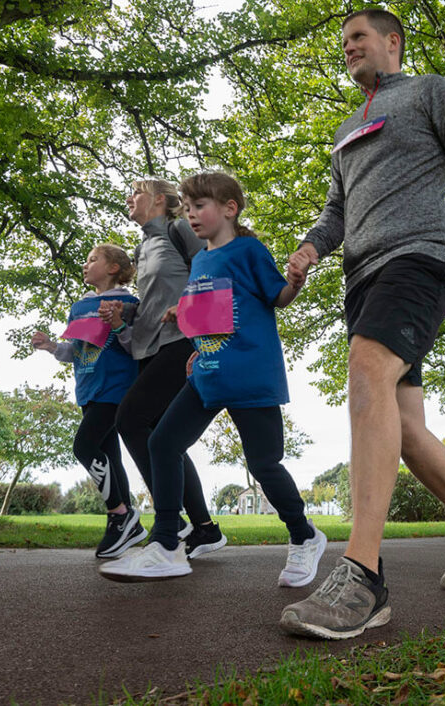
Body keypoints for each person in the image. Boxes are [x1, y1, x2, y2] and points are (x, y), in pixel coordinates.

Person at [279, 8, 445, 640]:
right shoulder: (346, 129)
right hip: (361, 278)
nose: (349, 47)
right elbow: (336, 211)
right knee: (400, 426)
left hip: (418, 259)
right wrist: (310, 249)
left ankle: (363, 576)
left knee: (366, 367)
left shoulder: (428, 91)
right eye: (344, 41)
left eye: (359, 37)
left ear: (392, 42)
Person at [100, 172, 326, 583]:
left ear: (229, 208)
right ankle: (167, 545)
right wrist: (182, 314)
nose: (190, 214)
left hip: (250, 375)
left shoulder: (249, 250)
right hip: (207, 374)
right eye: (187, 208)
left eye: (199, 206)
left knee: (264, 464)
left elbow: (277, 297)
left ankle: (304, 534)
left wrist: (295, 282)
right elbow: (210, 308)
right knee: (162, 443)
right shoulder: (201, 260)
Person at [99, 179, 220, 558]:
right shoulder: (143, 247)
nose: (128, 198)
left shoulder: (178, 229)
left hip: (181, 342)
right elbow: (153, 302)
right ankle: (205, 528)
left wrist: (197, 323)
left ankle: (171, 518)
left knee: (130, 419)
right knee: (166, 439)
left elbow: (213, 273)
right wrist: (124, 314)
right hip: (149, 348)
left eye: (135, 192)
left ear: (159, 200)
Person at [31, 245, 143, 558]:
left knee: (83, 447)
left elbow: (136, 346)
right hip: (87, 389)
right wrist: (51, 346)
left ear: (113, 268)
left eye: (93, 259)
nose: (85, 264)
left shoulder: (130, 303)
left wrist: (119, 322)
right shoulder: (79, 307)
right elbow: (76, 350)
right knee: (111, 456)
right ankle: (128, 523)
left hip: (117, 387)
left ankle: (119, 514)